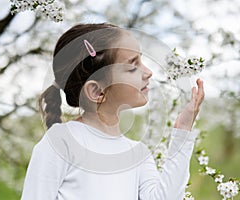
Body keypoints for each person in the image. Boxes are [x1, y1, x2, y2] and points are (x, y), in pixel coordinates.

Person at [21, 23, 204, 200]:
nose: (148, 72)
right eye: (133, 66)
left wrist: (183, 130)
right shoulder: (62, 142)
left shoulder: (138, 153)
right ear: (97, 92)